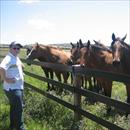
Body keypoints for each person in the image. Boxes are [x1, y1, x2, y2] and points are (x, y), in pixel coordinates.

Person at [0, 41, 25, 130]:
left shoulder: (15, 57)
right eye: (14, 48)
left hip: (18, 87)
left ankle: (13, 125)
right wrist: (6, 79)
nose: (17, 50)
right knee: (19, 109)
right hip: (13, 89)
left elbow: (19, 64)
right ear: (10, 49)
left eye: (18, 48)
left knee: (14, 107)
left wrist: (21, 66)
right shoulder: (8, 58)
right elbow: (1, 68)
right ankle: (20, 127)